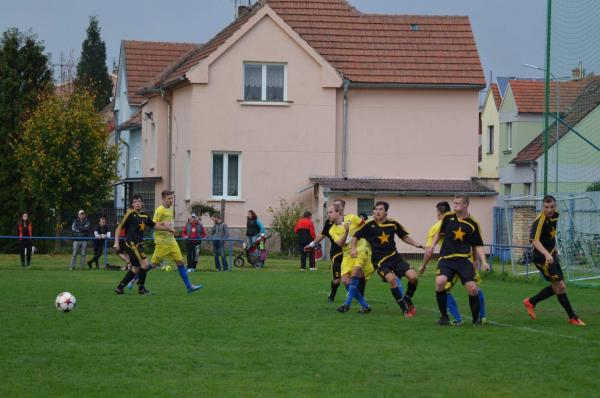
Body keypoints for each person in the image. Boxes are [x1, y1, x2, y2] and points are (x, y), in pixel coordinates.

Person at [419, 201, 487, 325]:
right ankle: (480, 317)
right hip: (448, 260)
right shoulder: (446, 221)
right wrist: (476, 259)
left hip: (464, 260)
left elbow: (475, 242)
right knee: (471, 287)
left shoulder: (436, 226)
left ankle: (463, 318)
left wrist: (423, 265)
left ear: (439, 213)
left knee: (470, 288)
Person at [352, 201, 424, 317]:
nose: (377, 212)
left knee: (413, 277)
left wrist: (415, 244)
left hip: (395, 257)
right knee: (391, 279)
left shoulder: (393, 224)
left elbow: (404, 236)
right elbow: (355, 236)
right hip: (380, 261)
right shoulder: (369, 226)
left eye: (380, 209)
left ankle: (407, 298)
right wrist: (353, 249)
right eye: (375, 209)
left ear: (386, 212)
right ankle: (404, 309)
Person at [523, 195, 586, 326]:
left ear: (555, 206)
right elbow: (534, 241)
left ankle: (531, 302)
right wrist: (547, 254)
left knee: (559, 286)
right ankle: (573, 317)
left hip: (552, 255)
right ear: (542, 207)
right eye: (546, 207)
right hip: (543, 258)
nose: (549, 209)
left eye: (551, 207)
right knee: (560, 286)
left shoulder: (555, 215)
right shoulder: (539, 221)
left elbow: (552, 233)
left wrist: (555, 247)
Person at [113, 194, 172, 295]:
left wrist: (168, 228)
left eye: (139, 201)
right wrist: (116, 242)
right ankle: (141, 288)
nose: (137, 203)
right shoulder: (130, 214)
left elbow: (154, 225)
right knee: (145, 264)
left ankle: (120, 287)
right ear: (132, 204)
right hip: (132, 244)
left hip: (138, 245)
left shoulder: (144, 215)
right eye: (135, 202)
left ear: (142, 203)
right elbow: (119, 227)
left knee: (136, 268)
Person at [150, 190, 203, 293]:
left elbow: (169, 224)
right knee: (153, 265)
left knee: (180, 262)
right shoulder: (159, 210)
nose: (171, 200)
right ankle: (135, 278)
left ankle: (189, 286)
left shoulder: (170, 208)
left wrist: (172, 230)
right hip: (162, 242)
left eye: (172, 198)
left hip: (171, 241)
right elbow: (154, 225)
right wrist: (167, 228)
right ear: (163, 199)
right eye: (169, 198)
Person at [327, 202, 373, 314]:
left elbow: (365, 225)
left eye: (331, 212)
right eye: (327, 213)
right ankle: (365, 305)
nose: (328, 215)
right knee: (345, 281)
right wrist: (346, 231)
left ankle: (346, 304)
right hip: (347, 255)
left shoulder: (352, 217)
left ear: (338, 212)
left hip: (360, 250)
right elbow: (340, 244)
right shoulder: (332, 230)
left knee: (356, 271)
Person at [305, 199, 349, 302]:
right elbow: (323, 234)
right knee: (337, 280)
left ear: (342, 208)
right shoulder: (330, 223)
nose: (335, 207)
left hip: (349, 252)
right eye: (334, 205)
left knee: (349, 278)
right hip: (337, 253)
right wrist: (311, 244)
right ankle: (332, 294)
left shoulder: (349, 220)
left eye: (338, 205)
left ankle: (353, 297)